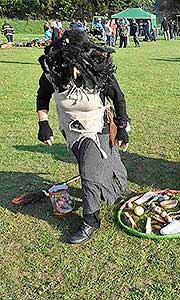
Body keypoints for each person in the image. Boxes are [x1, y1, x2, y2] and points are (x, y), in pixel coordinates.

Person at [35, 29, 130, 243]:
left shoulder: (98, 70)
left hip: (98, 127)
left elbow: (119, 98)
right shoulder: (54, 71)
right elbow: (42, 96)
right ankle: (114, 193)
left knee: (88, 173)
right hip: (70, 129)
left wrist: (122, 126)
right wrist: (44, 124)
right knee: (100, 164)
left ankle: (90, 220)